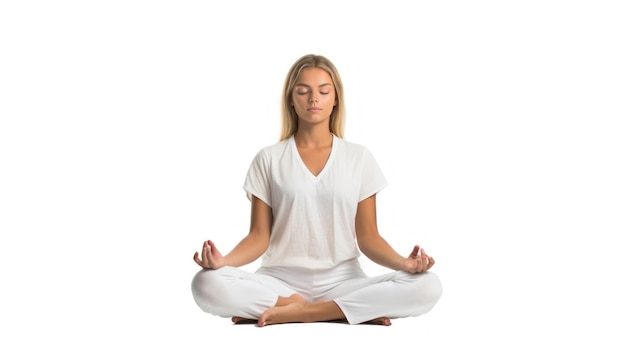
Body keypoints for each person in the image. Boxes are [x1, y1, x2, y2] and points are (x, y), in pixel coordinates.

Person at [191, 54, 442, 327]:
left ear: (335, 99)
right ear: (291, 99)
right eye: (303, 91)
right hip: (278, 282)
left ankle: (305, 312)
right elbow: (259, 237)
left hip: (344, 281)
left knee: (428, 286)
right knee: (205, 283)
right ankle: (333, 310)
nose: (314, 99)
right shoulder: (269, 158)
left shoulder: (358, 158)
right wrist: (224, 261)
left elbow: (369, 237)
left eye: (323, 91)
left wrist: (403, 264)